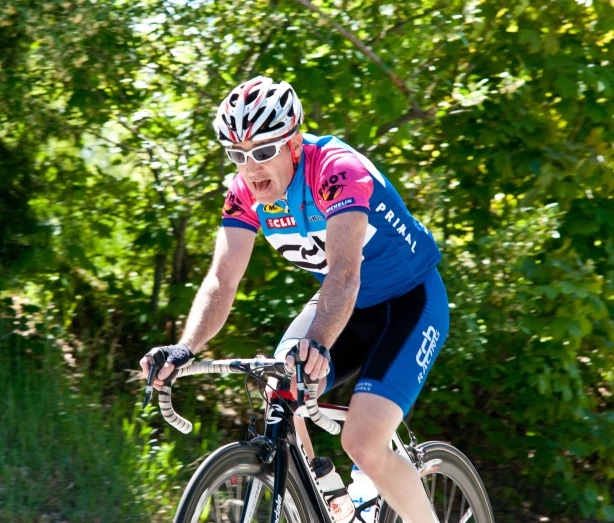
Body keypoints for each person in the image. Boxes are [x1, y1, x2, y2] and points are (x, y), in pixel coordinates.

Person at [140, 75, 449, 522]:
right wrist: (186, 347)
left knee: (363, 442)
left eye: (263, 152)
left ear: (294, 143)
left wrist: (319, 343)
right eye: (237, 155)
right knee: (280, 388)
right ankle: (325, 498)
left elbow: (344, 273)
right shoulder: (244, 192)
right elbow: (223, 279)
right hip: (348, 305)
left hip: (409, 302)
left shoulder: (337, 170)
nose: (251, 168)